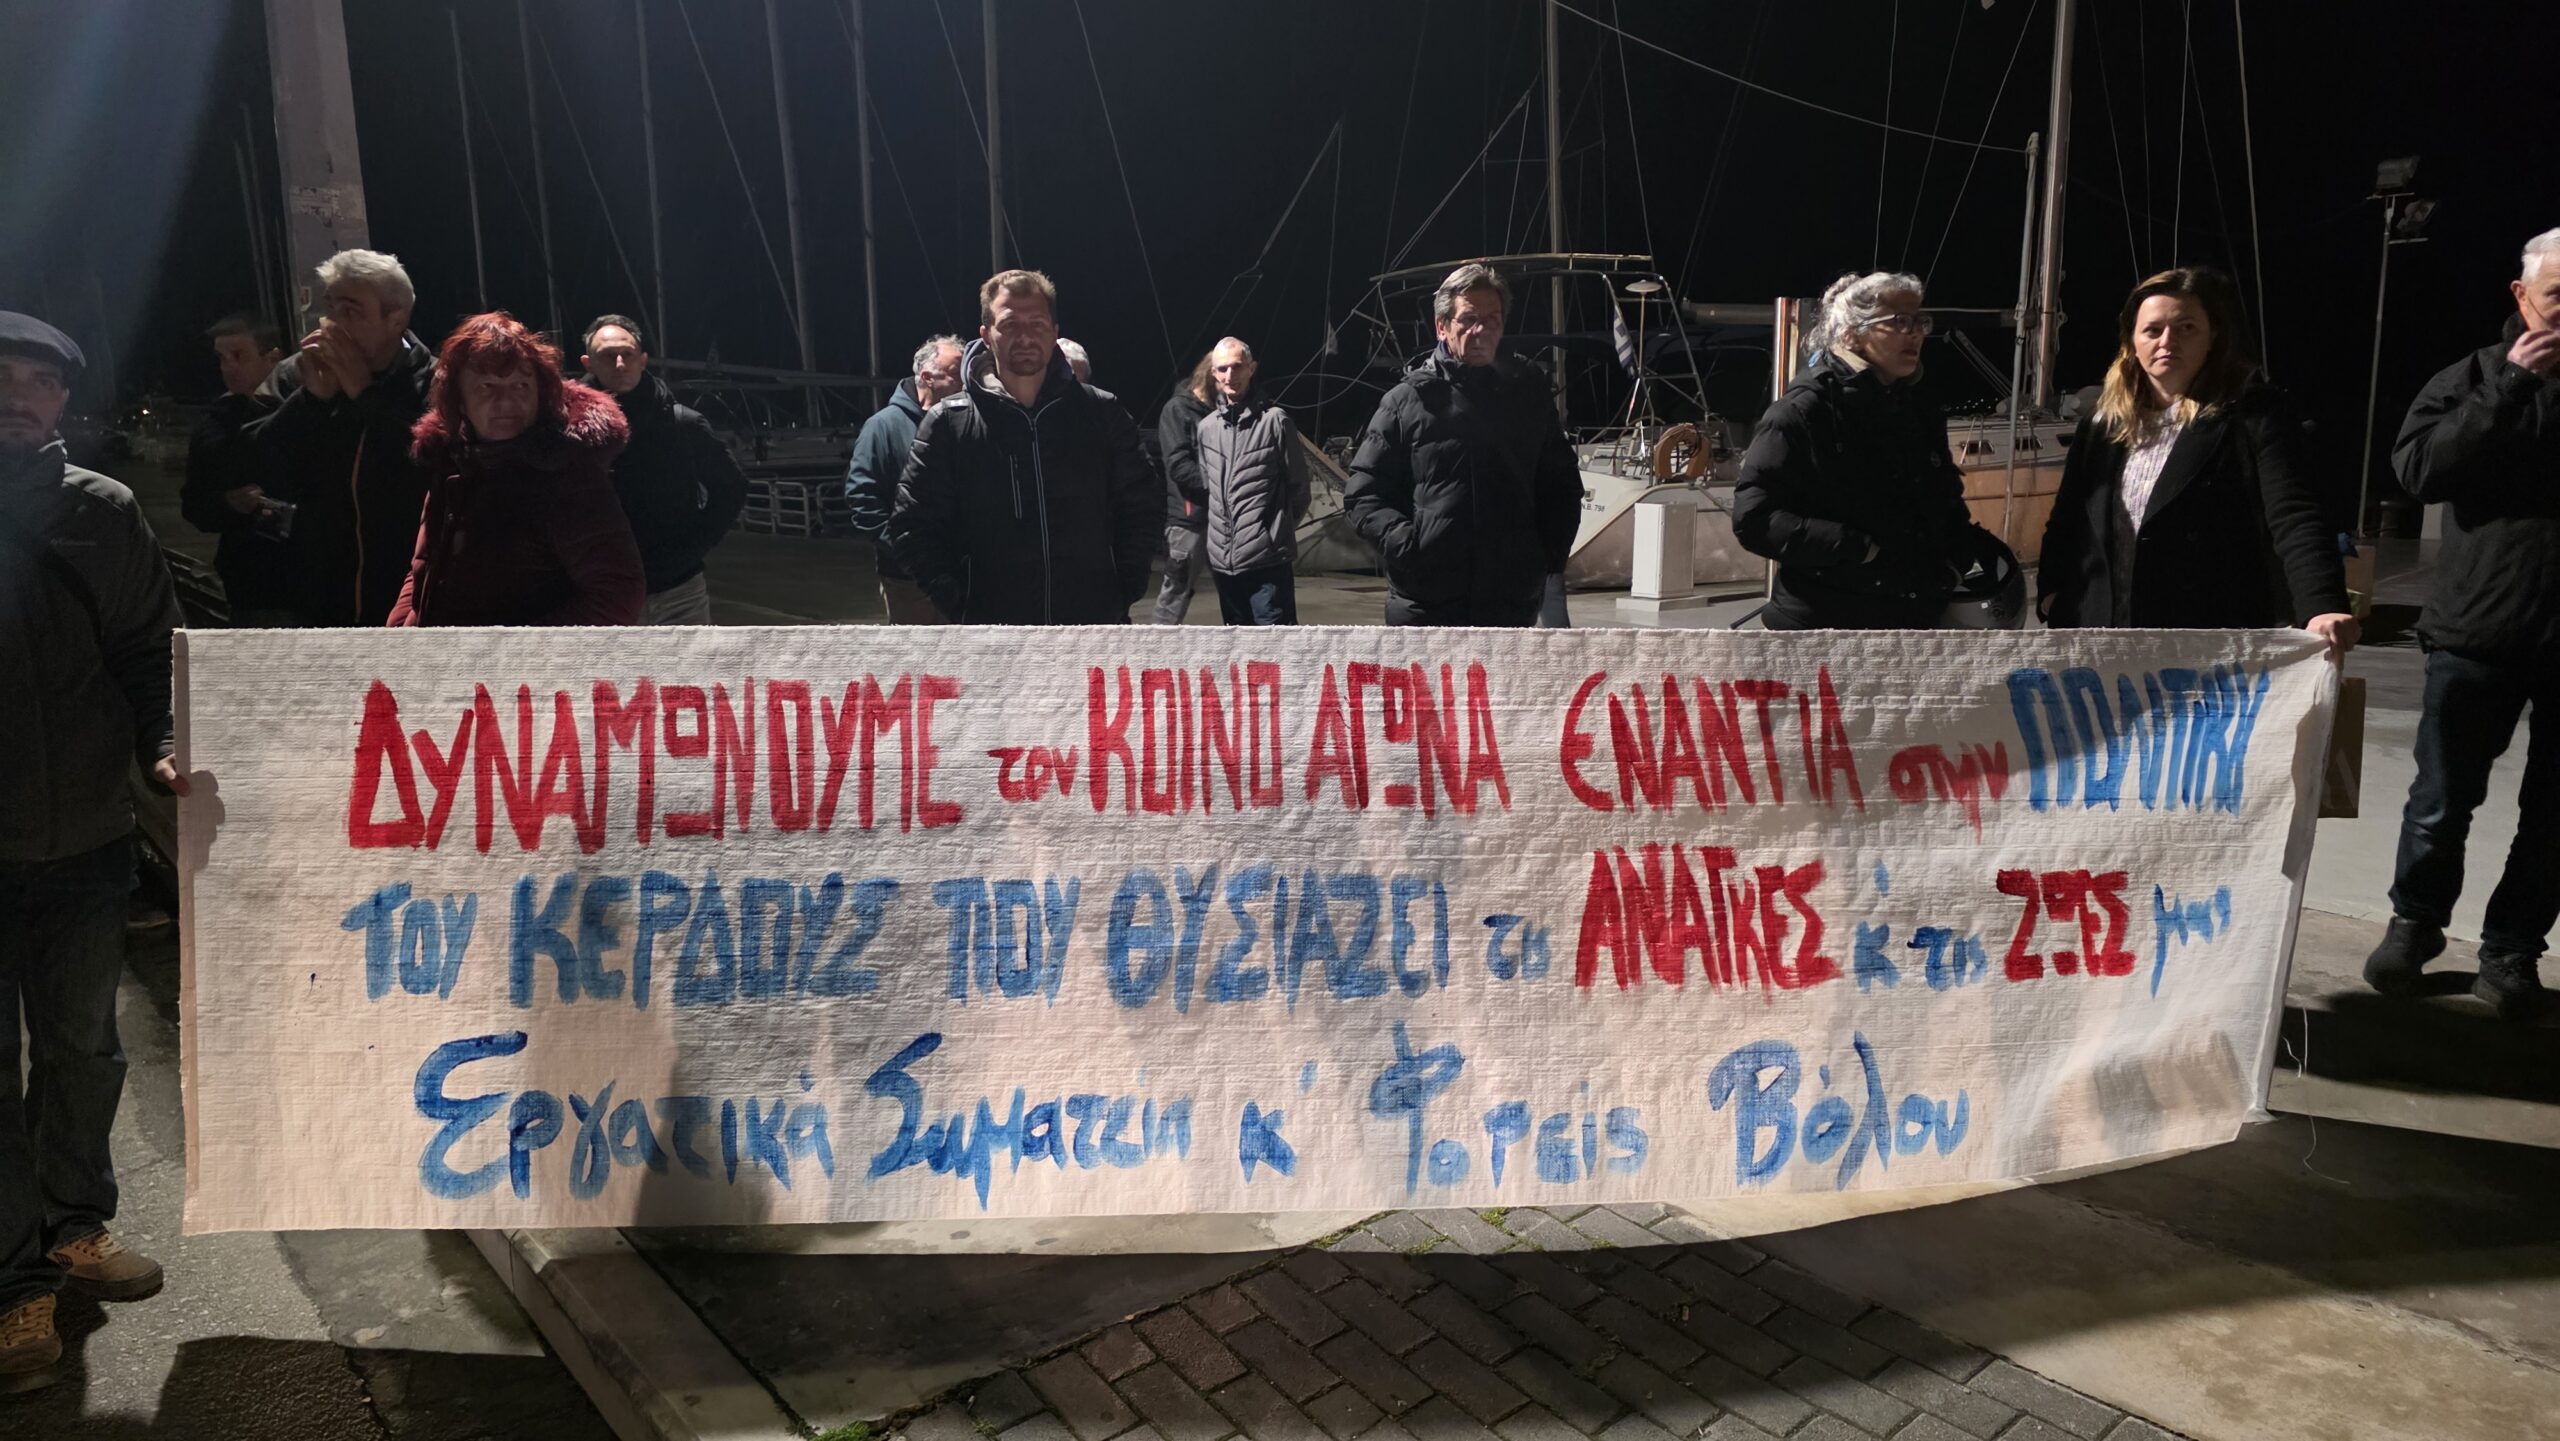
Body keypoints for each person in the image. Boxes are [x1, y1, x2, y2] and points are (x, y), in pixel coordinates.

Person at [0, 312, 183, 1387]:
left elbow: (148, 654)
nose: (17, 396)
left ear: (63, 401)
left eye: (38, 381)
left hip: (84, 840)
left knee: (83, 1049)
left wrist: (163, 744)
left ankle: (74, 1224)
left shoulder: (102, 512)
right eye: (2, 377)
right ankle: (13, 1284)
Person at [2363, 228, 2560, 1021]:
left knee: (2553, 819)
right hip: (2478, 630)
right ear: (2522, 297)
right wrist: (2508, 388)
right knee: (2442, 799)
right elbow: (2419, 469)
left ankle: (2511, 951)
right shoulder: (2473, 376)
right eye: (2559, 298)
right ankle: (2414, 924)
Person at [2037, 267, 2356, 647]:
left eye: (2186, 328)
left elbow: (2295, 517)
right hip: (2101, 638)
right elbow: (2067, 520)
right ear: (2132, 342)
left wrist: (2321, 606)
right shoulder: (2101, 426)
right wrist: (2051, 594)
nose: (2167, 341)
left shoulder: (2253, 414)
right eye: (2152, 330)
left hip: (2207, 640)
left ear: (2213, 337)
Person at [884, 270, 1156, 624]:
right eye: (1010, 325)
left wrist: (1123, 587)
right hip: (993, 636)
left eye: (1037, 324)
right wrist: (959, 601)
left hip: (1093, 626)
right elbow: (912, 525)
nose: (1025, 336)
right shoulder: (948, 423)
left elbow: (1142, 504)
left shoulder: (1102, 413)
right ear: (986, 335)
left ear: (1054, 332)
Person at [1731, 271, 1989, 630]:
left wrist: (1956, 556)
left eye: (1920, 321)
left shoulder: (1919, 407)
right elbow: (1754, 518)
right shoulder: (1804, 411)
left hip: (1913, 618)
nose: (1915, 333)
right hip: (1823, 626)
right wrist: (1857, 548)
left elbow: (1944, 498)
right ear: (1852, 334)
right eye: (1899, 321)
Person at [1343, 263, 1582, 626]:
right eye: (1469, 319)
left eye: (1492, 319)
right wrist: (1413, 549)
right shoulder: (1407, 401)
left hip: (1509, 603)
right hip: (1426, 605)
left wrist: (1546, 557)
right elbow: (1363, 495)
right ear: (1442, 327)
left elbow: (1561, 484)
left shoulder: (1528, 393)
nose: (1481, 330)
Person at [388, 312, 645, 627]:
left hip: (518, 660)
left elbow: (618, 594)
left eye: (521, 385)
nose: (506, 401)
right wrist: (398, 634)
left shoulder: (567, 475)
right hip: (438, 656)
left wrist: (511, 650)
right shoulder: (451, 461)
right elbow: (425, 567)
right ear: (459, 398)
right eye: (487, 386)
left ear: (541, 394)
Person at [247, 249, 439, 626]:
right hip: (313, 602)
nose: (331, 323)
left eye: (350, 311)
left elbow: (428, 470)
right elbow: (254, 464)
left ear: (396, 319)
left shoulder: (436, 382)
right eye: (329, 307)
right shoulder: (295, 374)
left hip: (406, 601)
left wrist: (366, 396)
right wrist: (311, 401)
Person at [579, 315, 747, 624]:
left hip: (678, 592)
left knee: (690, 660)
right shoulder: (571, 432)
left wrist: (691, 549)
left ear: (643, 360)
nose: (620, 363)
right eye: (607, 355)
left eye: (627, 354)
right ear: (588, 363)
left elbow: (732, 487)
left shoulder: (683, 424)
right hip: (600, 591)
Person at [178, 313, 295, 625]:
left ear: (273, 358)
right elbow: (194, 505)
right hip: (253, 584)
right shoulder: (215, 424)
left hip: (319, 576)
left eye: (238, 355)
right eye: (221, 357)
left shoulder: (307, 409)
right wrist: (229, 503)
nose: (227, 367)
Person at [847, 334, 964, 623]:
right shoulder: (882, 427)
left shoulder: (962, 422)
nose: (964, 382)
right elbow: (862, 499)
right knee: (918, 651)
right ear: (927, 377)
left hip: (961, 575)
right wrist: (906, 554)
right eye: (955, 374)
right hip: (908, 582)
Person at [1196, 337, 1309, 624]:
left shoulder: (1275, 421)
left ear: (1252, 368)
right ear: (1213, 373)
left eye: (1237, 367)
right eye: (1222, 369)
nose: (1229, 375)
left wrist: (1273, 535)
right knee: (1235, 647)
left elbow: (1299, 489)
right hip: (1223, 565)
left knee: (1277, 647)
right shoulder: (1206, 428)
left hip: (1267, 565)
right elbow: (1209, 489)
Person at [1151, 350, 1217, 624]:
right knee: (1176, 594)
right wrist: (1222, 485)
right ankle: (1158, 648)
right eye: (1222, 373)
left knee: (1235, 589)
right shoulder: (1177, 410)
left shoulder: (1220, 411)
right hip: (1188, 521)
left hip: (1222, 520)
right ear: (1211, 375)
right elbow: (1179, 467)